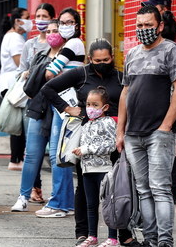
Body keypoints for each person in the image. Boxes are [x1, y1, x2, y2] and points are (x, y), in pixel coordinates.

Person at [41, 39, 136, 246]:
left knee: (119, 188)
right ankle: (84, 234)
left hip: (115, 138)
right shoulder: (81, 74)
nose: (102, 63)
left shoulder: (121, 77)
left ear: (113, 57)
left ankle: (123, 235)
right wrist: (69, 109)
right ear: (90, 59)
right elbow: (48, 88)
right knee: (85, 190)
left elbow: (130, 101)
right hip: (87, 140)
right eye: (97, 60)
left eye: (106, 59)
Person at [116, 5, 176, 247]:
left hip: (159, 133)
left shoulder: (172, 51)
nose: (143, 30)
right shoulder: (132, 54)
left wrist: (166, 126)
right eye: (139, 25)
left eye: (148, 25)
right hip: (133, 134)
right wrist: (121, 131)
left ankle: (165, 241)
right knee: (143, 189)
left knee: (160, 189)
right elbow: (126, 92)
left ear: (159, 26)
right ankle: (150, 239)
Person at [11, 20, 77, 217]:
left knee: (58, 156)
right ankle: (23, 196)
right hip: (39, 108)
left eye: (55, 30)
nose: (51, 34)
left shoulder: (69, 55)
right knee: (32, 154)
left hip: (59, 109)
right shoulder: (39, 55)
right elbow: (29, 85)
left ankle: (60, 200)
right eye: (48, 31)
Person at [142, 0, 176, 205]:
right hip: (152, 101)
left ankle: (173, 189)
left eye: (153, 8)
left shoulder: (175, 35)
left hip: (173, 99)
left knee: (172, 143)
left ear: (163, 10)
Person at [16, 2, 56, 202]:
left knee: (53, 150)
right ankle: (34, 188)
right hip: (32, 101)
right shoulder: (29, 45)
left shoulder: (56, 44)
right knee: (32, 150)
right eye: (37, 16)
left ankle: (56, 194)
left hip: (53, 102)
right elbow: (20, 70)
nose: (40, 20)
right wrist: (25, 74)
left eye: (44, 16)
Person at [72, 87, 119, 247]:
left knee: (108, 204)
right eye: (88, 104)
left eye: (95, 105)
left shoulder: (108, 122)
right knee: (90, 205)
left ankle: (113, 238)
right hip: (87, 170)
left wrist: (86, 149)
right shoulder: (85, 125)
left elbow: (111, 144)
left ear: (105, 107)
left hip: (104, 170)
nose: (90, 108)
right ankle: (92, 236)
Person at [0, 7, 31, 171]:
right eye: (27, 17)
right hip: (13, 83)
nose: (30, 21)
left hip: (8, 82)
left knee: (17, 120)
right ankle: (16, 158)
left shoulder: (10, 37)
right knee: (18, 121)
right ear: (18, 21)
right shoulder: (15, 38)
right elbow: (21, 63)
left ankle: (16, 158)